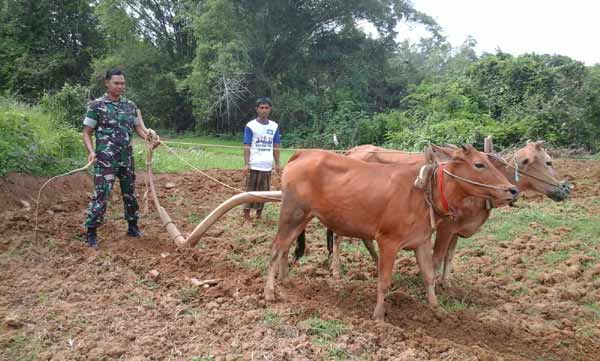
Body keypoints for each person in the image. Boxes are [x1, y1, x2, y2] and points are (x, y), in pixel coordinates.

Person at [82, 69, 160, 247]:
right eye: (116, 83)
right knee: (101, 194)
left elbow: (139, 130)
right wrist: (91, 151)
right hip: (105, 160)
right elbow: (86, 132)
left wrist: (150, 138)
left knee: (130, 194)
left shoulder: (129, 106)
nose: (120, 86)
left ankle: (133, 226)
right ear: (107, 83)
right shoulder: (96, 106)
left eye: (123, 83)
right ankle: (91, 232)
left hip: (126, 159)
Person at [242, 96, 281, 225]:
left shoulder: (274, 126)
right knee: (250, 190)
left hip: (267, 164)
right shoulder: (251, 126)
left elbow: (276, 146)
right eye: (261, 108)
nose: (264, 110)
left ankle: (259, 215)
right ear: (257, 109)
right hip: (254, 164)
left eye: (266, 108)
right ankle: (247, 217)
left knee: (264, 192)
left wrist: (277, 163)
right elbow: (247, 145)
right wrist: (246, 164)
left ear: (270, 109)